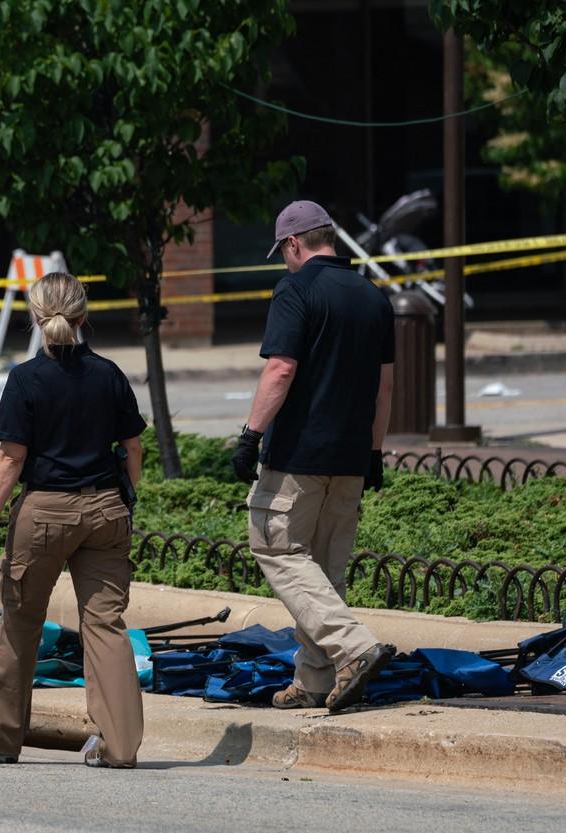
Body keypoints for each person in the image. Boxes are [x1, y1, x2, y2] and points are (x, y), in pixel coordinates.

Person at [0, 271, 146, 768]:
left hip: (43, 512)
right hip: (105, 508)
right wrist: (127, 497)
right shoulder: (108, 373)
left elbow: (10, 458)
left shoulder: (26, 379)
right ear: (83, 317)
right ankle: (120, 746)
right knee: (106, 626)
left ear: (36, 317)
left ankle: (2, 737)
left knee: (21, 623)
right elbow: (132, 447)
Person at [231, 200, 396, 712]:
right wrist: (374, 452)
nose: (284, 259)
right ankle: (316, 681)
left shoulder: (295, 290)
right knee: (324, 570)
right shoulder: (373, 296)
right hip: (349, 456)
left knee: (276, 548)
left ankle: (355, 646)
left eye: (282, 251)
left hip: (298, 456)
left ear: (293, 244)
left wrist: (250, 435)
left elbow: (280, 368)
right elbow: (385, 388)